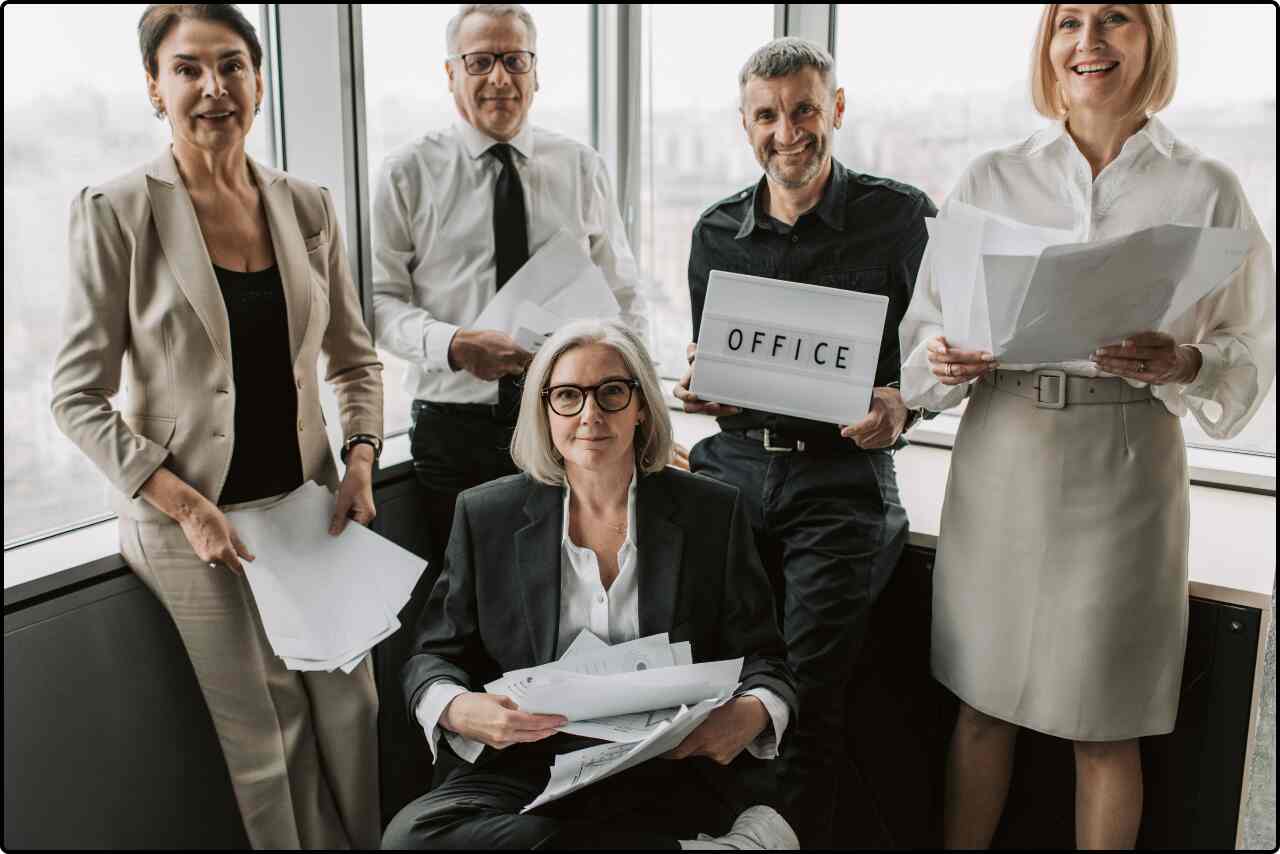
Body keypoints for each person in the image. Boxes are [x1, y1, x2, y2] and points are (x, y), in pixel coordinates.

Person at [898, 4, 1275, 848]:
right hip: (1002, 454)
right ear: (1048, 43)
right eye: (1070, 20)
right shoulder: (991, 175)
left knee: (1107, 723)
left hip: (1127, 466)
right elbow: (922, 337)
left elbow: (1251, 345)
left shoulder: (1206, 186)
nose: (1090, 41)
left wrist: (1183, 363)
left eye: (1116, 18)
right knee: (981, 706)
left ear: (1154, 38)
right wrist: (946, 358)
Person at [49, 5, 385, 848]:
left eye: (232, 65)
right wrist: (186, 505)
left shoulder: (307, 205)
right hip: (187, 523)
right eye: (188, 69)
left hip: (307, 507)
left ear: (260, 81)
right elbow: (75, 396)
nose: (213, 87)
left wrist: (360, 461)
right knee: (269, 739)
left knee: (355, 708)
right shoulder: (117, 210)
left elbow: (354, 360)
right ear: (156, 91)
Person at [382, 319, 798, 849]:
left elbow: (766, 657)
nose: (590, 414)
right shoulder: (487, 514)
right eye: (568, 397)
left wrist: (752, 710)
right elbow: (432, 655)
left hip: (667, 760)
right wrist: (456, 707)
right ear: (544, 411)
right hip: (530, 762)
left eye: (611, 393)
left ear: (641, 405)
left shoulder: (711, 512)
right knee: (409, 840)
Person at [673, 37, 935, 848]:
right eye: (767, 115)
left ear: (836, 110)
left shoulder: (902, 218)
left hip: (843, 476)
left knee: (807, 697)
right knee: (705, 678)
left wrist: (902, 407)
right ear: (745, 123)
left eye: (804, 110)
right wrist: (707, 391)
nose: (787, 130)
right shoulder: (717, 230)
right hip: (736, 468)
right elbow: (719, 377)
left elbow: (936, 358)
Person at [370, 3, 645, 584]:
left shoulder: (579, 166)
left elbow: (622, 297)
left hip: (568, 418)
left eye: (515, 60)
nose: (500, 77)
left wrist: (638, 401)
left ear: (536, 73)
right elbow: (376, 302)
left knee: (569, 587)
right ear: (451, 74)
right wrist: (452, 344)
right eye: (480, 61)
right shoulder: (407, 173)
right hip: (455, 425)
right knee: (470, 594)